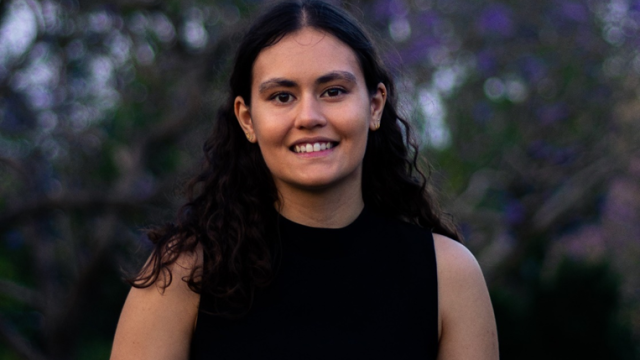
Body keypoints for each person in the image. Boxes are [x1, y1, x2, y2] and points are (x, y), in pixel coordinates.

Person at [110, 0, 498, 359]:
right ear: (247, 119)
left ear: (374, 106)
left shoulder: (448, 274)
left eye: (333, 91)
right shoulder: (184, 274)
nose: (309, 116)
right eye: (282, 96)